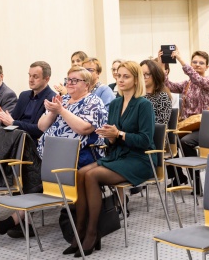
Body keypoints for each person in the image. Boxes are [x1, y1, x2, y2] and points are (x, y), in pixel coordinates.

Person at [0, 65, 107, 238]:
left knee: (35, 171)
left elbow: (84, 128)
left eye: (75, 80)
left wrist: (61, 111)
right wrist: (54, 112)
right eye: (68, 80)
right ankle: (20, 218)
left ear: (87, 84)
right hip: (48, 155)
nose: (69, 83)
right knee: (26, 167)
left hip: (78, 156)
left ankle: (18, 218)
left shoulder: (93, 102)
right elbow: (42, 126)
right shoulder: (62, 99)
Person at [62, 61, 156, 257]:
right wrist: (111, 137)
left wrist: (119, 134)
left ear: (136, 79)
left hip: (140, 159)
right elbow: (113, 141)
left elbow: (146, 140)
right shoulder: (115, 103)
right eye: (118, 76)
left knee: (92, 176)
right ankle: (79, 231)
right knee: (81, 173)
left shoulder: (144, 104)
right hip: (118, 154)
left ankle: (92, 232)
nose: (120, 80)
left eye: (126, 76)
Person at [0, 61, 56, 233]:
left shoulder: (51, 99)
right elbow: (14, 120)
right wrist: (6, 120)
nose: (31, 80)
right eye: (29, 75)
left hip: (33, 143)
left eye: (35, 76)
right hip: (17, 138)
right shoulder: (25, 95)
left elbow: (38, 130)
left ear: (46, 78)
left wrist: (13, 122)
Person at [159, 48, 209, 191]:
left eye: (201, 63)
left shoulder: (208, 81)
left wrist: (180, 59)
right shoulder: (187, 84)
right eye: (194, 62)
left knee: (185, 141)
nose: (197, 65)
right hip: (188, 125)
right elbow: (168, 85)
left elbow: (196, 78)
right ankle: (179, 178)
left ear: (207, 66)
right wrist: (161, 65)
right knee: (168, 140)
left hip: (205, 126)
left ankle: (196, 183)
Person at [140, 59, 172, 125]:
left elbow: (161, 124)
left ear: (155, 75)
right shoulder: (136, 95)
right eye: (140, 74)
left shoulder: (163, 97)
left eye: (147, 74)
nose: (143, 77)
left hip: (153, 133)